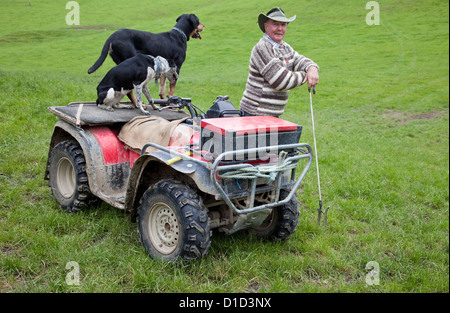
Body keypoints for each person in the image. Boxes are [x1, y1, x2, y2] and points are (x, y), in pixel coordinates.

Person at [240, 7, 319, 117]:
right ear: (265, 26)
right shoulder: (262, 48)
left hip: (271, 115)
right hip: (255, 113)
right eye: (275, 24)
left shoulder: (285, 47)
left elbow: (299, 60)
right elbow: (281, 81)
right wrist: (306, 75)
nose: (279, 28)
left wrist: (312, 68)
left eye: (283, 25)